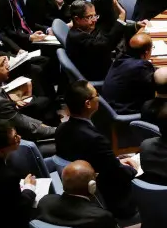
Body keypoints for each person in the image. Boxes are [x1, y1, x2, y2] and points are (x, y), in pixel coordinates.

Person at [56, 81, 137, 219]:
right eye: (96, 95)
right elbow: (116, 174)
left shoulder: (61, 129)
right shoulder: (95, 139)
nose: (99, 97)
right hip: (108, 195)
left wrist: (117, 161)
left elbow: (99, 160)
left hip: (81, 186)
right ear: (88, 104)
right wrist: (133, 169)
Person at [0, 54, 55, 140]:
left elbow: (20, 119)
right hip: (14, 141)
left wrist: (40, 124)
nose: (7, 66)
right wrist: (55, 130)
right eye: (2, 65)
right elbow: (29, 128)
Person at [65, 0, 126, 82]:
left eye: (95, 15)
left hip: (105, 65)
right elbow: (106, 45)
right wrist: (121, 20)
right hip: (99, 75)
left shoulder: (85, 29)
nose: (94, 20)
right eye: (89, 17)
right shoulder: (78, 37)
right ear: (77, 19)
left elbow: (104, 37)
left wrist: (136, 26)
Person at [102, 33, 160, 114]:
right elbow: (160, 85)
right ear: (146, 52)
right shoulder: (141, 67)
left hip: (109, 107)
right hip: (126, 111)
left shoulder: (121, 57)